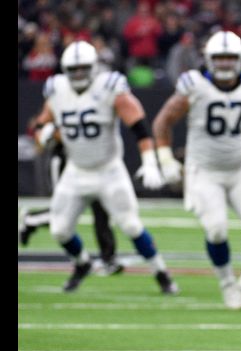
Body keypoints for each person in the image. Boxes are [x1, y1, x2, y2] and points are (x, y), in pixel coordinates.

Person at [33, 40, 178, 293]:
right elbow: (42, 124)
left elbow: (139, 125)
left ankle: (161, 272)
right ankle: (82, 263)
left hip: (108, 170)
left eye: (83, 68)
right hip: (76, 171)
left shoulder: (110, 87)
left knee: (131, 225)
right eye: (73, 69)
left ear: (94, 67)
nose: (78, 74)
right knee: (59, 230)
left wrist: (149, 161)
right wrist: (43, 134)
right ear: (65, 70)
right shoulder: (56, 90)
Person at [152, 31, 241, 309]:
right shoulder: (193, 84)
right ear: (208, 59)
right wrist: (165, 159)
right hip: (204, 170)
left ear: (240, 58)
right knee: (216, 230)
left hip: (238, 168)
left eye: (231, 58)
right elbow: (162, 122)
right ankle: (228, 284)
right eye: (220, 58)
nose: (226, 64)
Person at [19, 124, 124, 276]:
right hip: (65, 161)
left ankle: (108, 259)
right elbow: (41, 131)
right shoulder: (59, 105)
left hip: (89, 163)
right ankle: (31, 220)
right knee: (63, 212)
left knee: (101, 208)